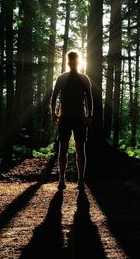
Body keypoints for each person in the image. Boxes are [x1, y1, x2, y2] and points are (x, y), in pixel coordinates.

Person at [49, 51, 93, 190]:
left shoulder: (84, 78)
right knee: (63, 149)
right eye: (70, 61)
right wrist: (54, 114)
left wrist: (89, 116)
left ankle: (80, 180)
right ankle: (61, 179)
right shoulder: (62, 78)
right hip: (65, 118)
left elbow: (89, 98)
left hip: (80, 118)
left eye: (74, 61)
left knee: (81, 149)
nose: (72, 63)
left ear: (77, 62)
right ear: (68, 62)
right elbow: (54, 96)